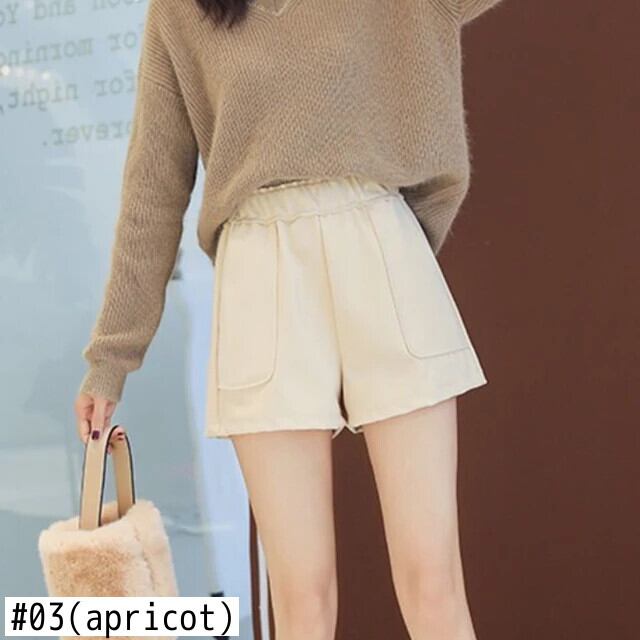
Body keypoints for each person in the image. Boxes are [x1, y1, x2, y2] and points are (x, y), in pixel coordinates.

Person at [74, 0, 506, 638]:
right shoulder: (182, 11)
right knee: (301, 596)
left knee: (432, 581)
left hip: (380, 247)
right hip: (260, 271)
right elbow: (153, 184)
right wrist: (111, 356)